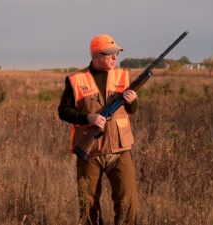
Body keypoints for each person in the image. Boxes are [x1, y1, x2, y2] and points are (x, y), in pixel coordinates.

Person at [58, 34, 139, 225]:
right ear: (95, 56)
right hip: (90, 151)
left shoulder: (122, 75)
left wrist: (132, 100)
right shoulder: (76, 79)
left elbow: (132, 110)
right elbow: (63, 111)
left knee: (128, 203)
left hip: (120, 150)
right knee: (88, 205)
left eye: (116, 53)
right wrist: (88, 117)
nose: (114, 57)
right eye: (109, 53)